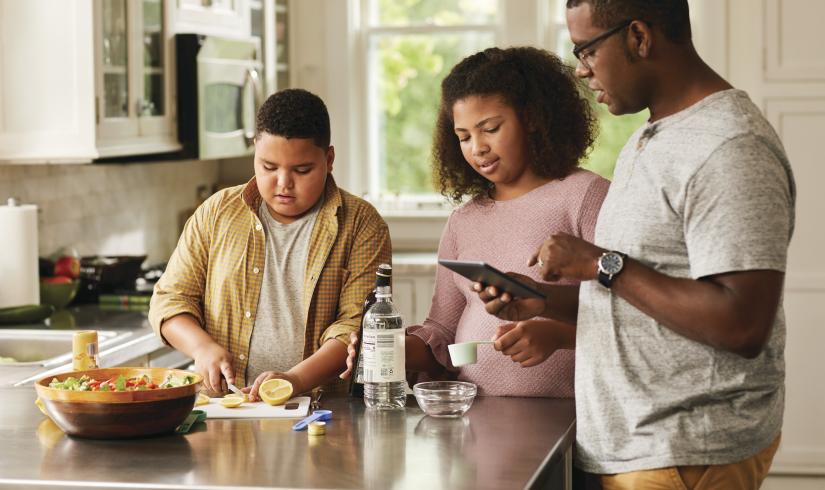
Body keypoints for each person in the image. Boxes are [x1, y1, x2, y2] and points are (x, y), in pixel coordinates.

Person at [477, 1, 795, 488]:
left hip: (685, 449)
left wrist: (601, 263)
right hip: (640, 448)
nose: (581, 71)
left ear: (639, 37)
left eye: (586, 51)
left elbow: (742, 323)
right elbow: (642, 297)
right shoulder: (652, 136)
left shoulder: (730, 146)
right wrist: (541, 300)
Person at [342, 46, 610, 397]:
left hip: (564, 418)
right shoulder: (463, 221)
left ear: (531, 118)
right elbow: (445, 335)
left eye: (490, 129)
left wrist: (560, 339)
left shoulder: (585, 196)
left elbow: (627, 312)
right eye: (464, 136)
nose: (477, 148)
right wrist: (394, 347)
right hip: (473, 416)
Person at [150, 88, 392, 399]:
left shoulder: (362, 224)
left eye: (302, 170)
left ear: (329, 159)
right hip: (227, 408)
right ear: (255, 152)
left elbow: (357, 328)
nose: (283, 184)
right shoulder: (217, 211)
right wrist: (202, 347)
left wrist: (295, 380)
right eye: (268, 167)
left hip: (321, 412)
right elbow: (170, 299)